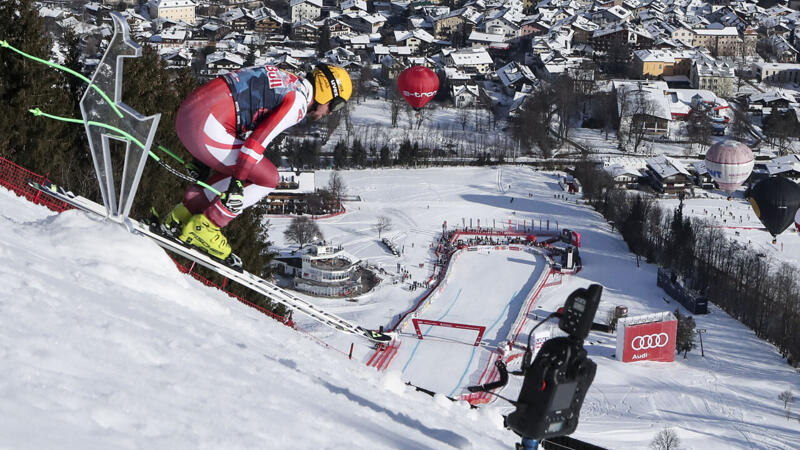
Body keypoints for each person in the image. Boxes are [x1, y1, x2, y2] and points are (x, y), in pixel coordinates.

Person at [162, 64, 352, 261]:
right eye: (335, 105)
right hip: (206, 128)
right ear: (326, 92)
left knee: (246, 168)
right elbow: (255, 144)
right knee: (268, 178)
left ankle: (183, 214)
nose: (330, 112)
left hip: (189, 114)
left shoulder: (286, 77)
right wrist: (237, 184)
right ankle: (207, 225)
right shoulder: (298, 102)